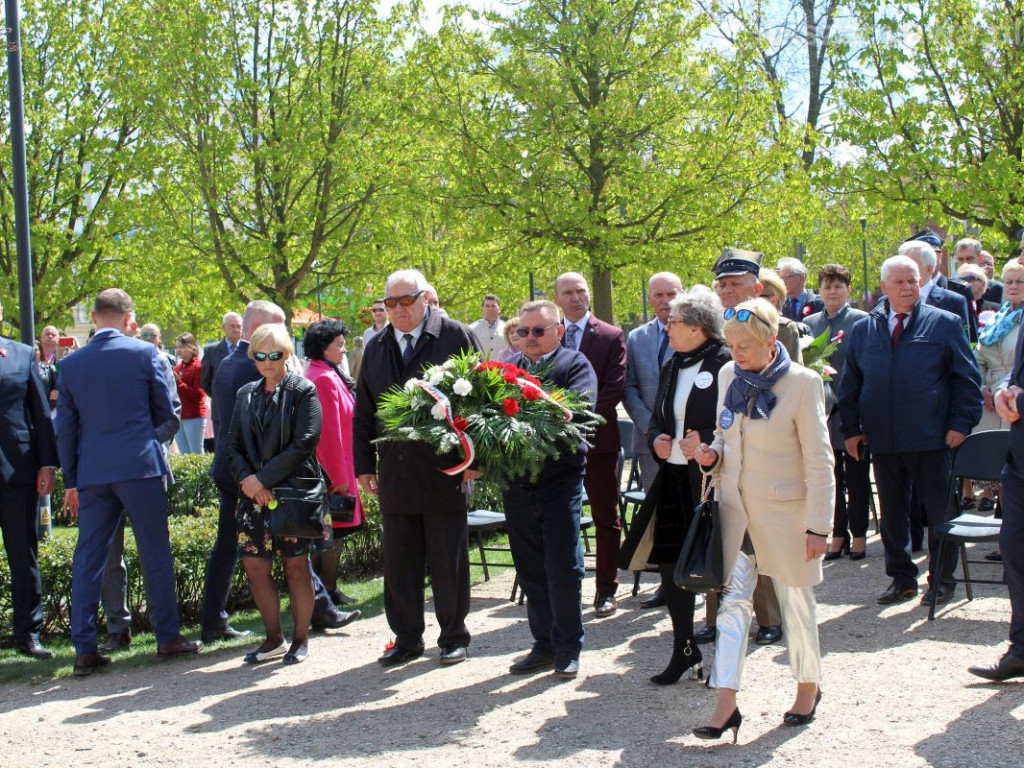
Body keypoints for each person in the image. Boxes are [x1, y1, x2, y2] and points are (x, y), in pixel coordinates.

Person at [692, 298, 834, 741]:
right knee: (732, 606)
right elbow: (725, 435)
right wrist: (711, 455)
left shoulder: (803, 383)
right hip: (737, 513)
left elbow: (820, 460)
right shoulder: (728, 375)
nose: (736, 353)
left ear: (772, 341)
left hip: (788, 516)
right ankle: (725, 703)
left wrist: (819, 527)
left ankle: (807, 686)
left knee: (796, 606)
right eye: (731, 345)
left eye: (745, 346)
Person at [58, 289, 201, 676]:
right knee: (155, 552)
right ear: (128, 317)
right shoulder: (145, 354)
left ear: (94, 316)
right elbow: (169, 413)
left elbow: (65, 430)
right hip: (140, 466)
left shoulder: (71, 365)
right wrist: (145, 442)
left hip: (93, 472)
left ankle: (84, 647)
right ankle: (167, 636)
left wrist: (72, 478)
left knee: (89, 559)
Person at [201, 300, 356, 644]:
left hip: (250, 476)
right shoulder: (247, 370)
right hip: (253, 479)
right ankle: (311, 613)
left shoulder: (229, 362)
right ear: (259, 328)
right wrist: (255, 480)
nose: (269, 357)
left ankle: (219, 619)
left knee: (266, 552)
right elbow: (250, 437)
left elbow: (301, 438)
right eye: (279, 324)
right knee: (275, 554)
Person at [355, 268, 482, 667]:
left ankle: (454, 636)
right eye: (390, 303)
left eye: (406, 300)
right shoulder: (376, 346)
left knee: (448, 560)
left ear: (426, 298)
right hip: (395, 470)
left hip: (445, 469)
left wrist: (476, 461)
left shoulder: (456, 336)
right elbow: (364, 411)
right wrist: (363, 465)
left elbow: (481, 401)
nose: (398, 309)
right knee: (400, 561)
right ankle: (407, 638)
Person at [839, 256, 982, 607]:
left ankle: (942, 580)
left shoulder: (944, 324)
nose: (907, 288)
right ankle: (902, 579)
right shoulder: (865, 329)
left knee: (939, 514)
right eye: (899, 282)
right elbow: (850, 384)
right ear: (883, 288)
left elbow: (967, 380)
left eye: (912, 281)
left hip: (932, 438)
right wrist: (852, 429)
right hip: (883, 439)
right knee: (892, 516)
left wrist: (960, 425)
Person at [619, 286, 731, 684]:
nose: (667, 327)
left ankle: (729, 662)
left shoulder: (724, 362)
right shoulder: (672, 363)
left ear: (697, 327)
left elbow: (736, 419)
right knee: (671, 564)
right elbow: (660, 417)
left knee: (720, 566)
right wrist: (656, 439)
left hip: (710, 480)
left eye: (674, 322)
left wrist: (705, 437)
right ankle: (684, 649)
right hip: (673, 476)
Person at [226, 323, 333, 665]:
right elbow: (232, 444)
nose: (267, 362)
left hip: (292, 493)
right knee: (254, 566)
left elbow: (305, 442)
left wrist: (262, 479)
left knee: (296, 567)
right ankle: (273, 638)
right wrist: (248, 480)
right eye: (260, 355)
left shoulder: (303, 390)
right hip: (253, 498)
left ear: (287, 354)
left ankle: (300, 640)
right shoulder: (245, 394)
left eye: (274, 355)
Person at [503, 300, 597, 680]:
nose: (530, 338)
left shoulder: (575, 364)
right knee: (530, 567)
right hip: (516, 482)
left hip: (560, 480)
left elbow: (579, 414)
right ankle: (543, 644)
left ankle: (568, 646)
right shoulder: (507, 370)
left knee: (563, 566)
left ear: (558, 331)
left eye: (539, 331)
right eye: (523, 331)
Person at [703, 248, 784, 647]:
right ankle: (716, 613)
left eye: (736, 284)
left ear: (756, 287)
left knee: (760, 539)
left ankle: (769, 616)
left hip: (765, 449)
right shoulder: (710, 327)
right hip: (722, 445)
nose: (728, 291)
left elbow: (789, 388)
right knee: (720, 536)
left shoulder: (778, 327)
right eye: (723, 284)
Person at [554, 271, 627, 618]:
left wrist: (575, 421)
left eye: (580, 291)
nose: (576, 298)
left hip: (598, 441)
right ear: (557, 299)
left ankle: (606, 590)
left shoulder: (611, 335)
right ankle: (563, 590)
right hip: (553, 443)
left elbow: (613, 388)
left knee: (605, 516)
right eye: (568, 292)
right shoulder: (547, 334)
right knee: (558, 517)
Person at [622, 271, 684, 610]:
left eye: (671, 294)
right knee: (660, 515)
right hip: (650, 442)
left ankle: (693, 577)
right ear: (649, 299)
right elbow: (629, 387)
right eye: (658, 295)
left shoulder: (697, 331)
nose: (665, 301)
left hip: (688, 440)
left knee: (688, 510)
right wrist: (652, 429)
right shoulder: (637, 337)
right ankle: (666, 583)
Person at [969, 305, 1024, 681]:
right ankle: (1020, 649)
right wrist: (1005, 390)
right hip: (1019, 461)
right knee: (1014, 548)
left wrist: (1017, 400)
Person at [804, 264, 871, 560]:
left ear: (848, 290)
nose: (832, 292)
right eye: (827, 286)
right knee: (830, 476)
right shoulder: (810, 323)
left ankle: (859, 534)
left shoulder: (861, 321)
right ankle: (838, 533)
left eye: (838, 286)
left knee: (856, 475)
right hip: (822, 410)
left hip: (852, 409)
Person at [0, 325, 59, 660]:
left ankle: (29, 633)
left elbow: (40, 412)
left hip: (17, 470)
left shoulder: (21, 355)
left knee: (23, 555)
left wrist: (47, 463)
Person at [304, 319, 365, 606]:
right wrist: (338, 478)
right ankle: (325, 591)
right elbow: (328, 433)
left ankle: (324, 591)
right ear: (323, 346)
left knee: (332, 533)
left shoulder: (325, 372)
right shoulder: (323, 378)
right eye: (339, 345)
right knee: (333, 533)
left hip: (339, 466)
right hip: (334, 472)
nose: (344, 350)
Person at [968, 261, 1024, 515]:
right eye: (1009, 281)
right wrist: (982, 386)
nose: (1013, 286)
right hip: (990, 399)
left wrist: (1003, 389)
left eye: (1020, 281)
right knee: (995, 463)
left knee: (1013, 464)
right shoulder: (997, 318)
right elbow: (979, 357)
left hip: (1013, 397)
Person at [201, 311, 243, 451]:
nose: (236, 329)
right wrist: (219, 395)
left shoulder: (250, 350)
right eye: (232, 326)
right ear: (224, 328)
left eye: (239, 326)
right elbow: (205, 381)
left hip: (244, 410)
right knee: (223, 450)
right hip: (221, 410)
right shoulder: (212, 351)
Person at [758, 269, 810, 361]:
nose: (747, 301)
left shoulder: (785, 329)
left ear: (773, 300)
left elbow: (792, 367)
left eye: (754, 296)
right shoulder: (739, 324)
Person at [172, 333, 208, 455]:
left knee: (196, 453)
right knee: (183, 454)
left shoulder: (198, 367)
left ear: (192, 347)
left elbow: (198, 394)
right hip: (179, 415)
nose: (178, 350)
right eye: (176, 347)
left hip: (194, 415)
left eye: (182, 347)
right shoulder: (177, 368)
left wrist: (179, 382)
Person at [469, 294, 507, 360]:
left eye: (493, 306)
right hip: (480, 366)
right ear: (482, 309)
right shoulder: (472, 329)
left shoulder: (507, 328)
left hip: (502, 366)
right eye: (487, 306)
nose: (490, 309)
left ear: (499, 309)